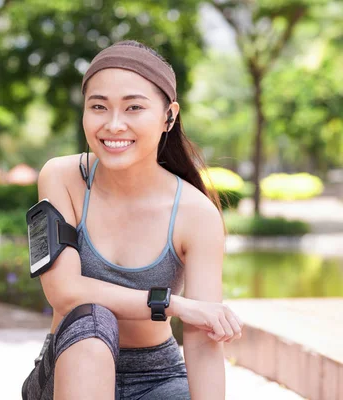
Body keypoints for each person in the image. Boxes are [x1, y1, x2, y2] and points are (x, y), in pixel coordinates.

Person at [20, 40, 244, 400]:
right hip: (69, 367)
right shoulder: (60, 178)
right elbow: (65, 292)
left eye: (134, 107)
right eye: (98, 107)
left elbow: (203, 340)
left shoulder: (196, 213)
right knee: (93, 318)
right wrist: (174, 305)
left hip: (158, 378)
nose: (113, 125)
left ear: (168, 116)